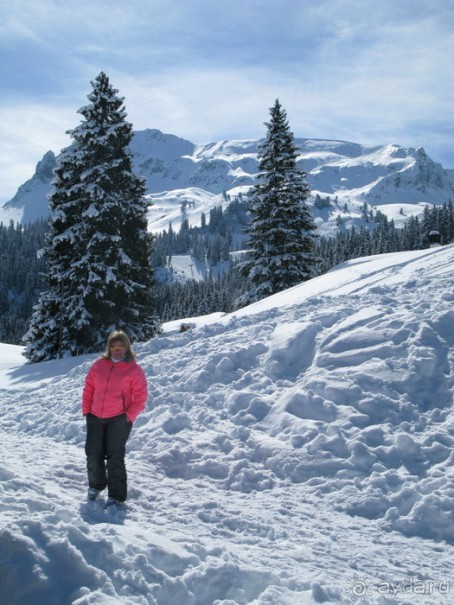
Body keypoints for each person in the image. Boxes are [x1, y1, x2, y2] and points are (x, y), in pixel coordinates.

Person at [82, 330, 148, 507]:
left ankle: (117, 496)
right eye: (114, 346)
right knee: (92, 453)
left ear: (127, 347)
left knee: (115, 457)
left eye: (121, 346)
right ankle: (96, 485)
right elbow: (89, 387)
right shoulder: (99, 364)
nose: (117, 350)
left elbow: (141, 397)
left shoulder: (134, 369)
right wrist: (87, 410)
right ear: (109, 348)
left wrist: (129, 416)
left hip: (118, 419)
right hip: (95, 416)